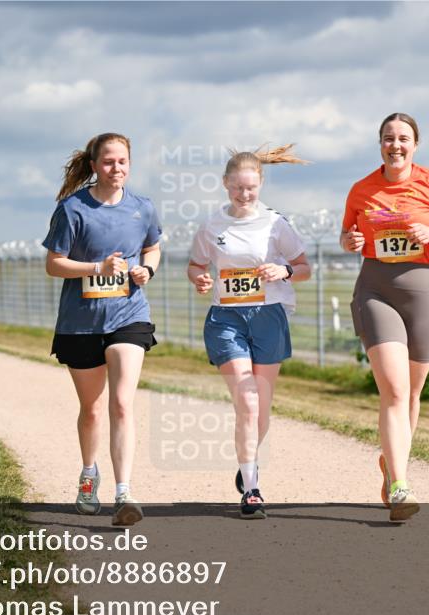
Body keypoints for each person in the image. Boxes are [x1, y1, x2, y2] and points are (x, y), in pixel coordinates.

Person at [340, 112, 429, 521]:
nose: (395, 145)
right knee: (394, 391)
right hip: (376, 290)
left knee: (411, 394)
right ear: (380, 144)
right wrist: (350, 240)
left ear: (415, 144)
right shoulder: (362, 189)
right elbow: (347, 236)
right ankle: (400, 486)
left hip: (424, 293)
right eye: (388, 138)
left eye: (403, 138)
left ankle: (392, 464)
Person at [43, 132, 161, 526]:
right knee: (92, 409)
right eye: (109, 161)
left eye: (122, 161)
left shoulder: (143, 208)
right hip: (81, 323)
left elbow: (153, 247)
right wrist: (98, 268)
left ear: (130, 164)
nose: (116, 168)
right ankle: (89, 473)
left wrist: (147, 270)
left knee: (122, 403)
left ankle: (124, 492)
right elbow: (54, 264)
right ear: (94, 166)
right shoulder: (72, 209)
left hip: (129, 315)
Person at [187, 145, 312, 519]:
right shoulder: (212, 226)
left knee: (261, 406)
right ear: (225, 184)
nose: (244, 195)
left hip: (268, 316)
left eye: (251, 188)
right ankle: (253, 489)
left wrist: (284, 271)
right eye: (238, 188)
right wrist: (200, 278)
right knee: (248, 399)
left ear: (261, 185)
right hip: (226, 318)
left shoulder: (275, 224)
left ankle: (248, 462)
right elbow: (195, 265)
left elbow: (304, 267)